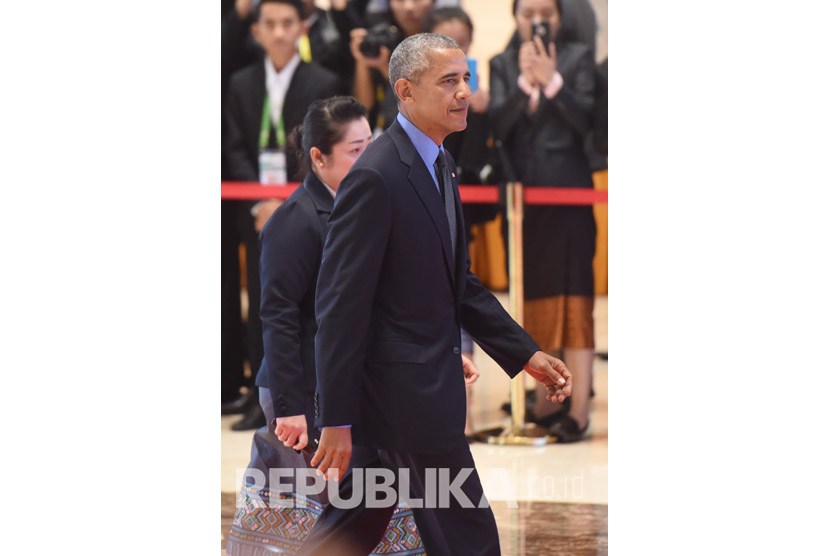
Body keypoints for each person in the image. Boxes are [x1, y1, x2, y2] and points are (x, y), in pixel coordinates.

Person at [298, 33, 573, 556]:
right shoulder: (376, 176)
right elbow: (339, 306)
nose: (464, 92)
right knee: (470, 537)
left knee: (348, 531)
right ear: (405, 90)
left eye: (466, 78)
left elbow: (458, 282)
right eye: (449, 81)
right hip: (403, 402)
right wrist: (335, 418)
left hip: (413, 398)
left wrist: (524, 353)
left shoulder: (441, 162)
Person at [227, 96, 438, 555]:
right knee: (301, 507)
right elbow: (277, 315)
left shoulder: (367, 205)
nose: (370, 159)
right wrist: (288, 406)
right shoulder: (294, 221)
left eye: (372, 146)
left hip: (354, 386)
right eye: (356, 150)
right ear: (318, 157)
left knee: (369, 501)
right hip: (301, 390)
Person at [223, 0, 340, 429]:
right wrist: (259, 203)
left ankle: (299, 391)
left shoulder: (322, 80)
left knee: (296, 303)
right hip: (255, 210)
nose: (277, 33)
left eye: (287, 23)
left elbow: (319, 149)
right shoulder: (240, 82)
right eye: (269, 24)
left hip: (300, 212)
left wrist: (287, 205)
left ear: (303, 27)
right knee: (259, 300)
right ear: (255, 31)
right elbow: (233, 145)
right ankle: (260, 395)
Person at [489, 0, 596, 442]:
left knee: (574, 302)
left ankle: (581, 409)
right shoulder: (500, 63)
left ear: (558, 16)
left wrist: (551, 81)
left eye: (545, 11)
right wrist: (523, 83)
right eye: (527, 10)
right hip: (520, 202)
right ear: (514, 16)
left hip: (568, 196)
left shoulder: (577, 58)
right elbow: (495, 123)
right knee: (529, 299)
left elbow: (587, 121)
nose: (536, 19)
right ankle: (541, 402)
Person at [349, 0, 435, 134]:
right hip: (387, 130)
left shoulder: (440, 44)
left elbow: (428, 99)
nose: (409, 7)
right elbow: (364, 105)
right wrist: (362, 58)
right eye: (400, 0)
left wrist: (386, 69)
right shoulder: (383, 40)